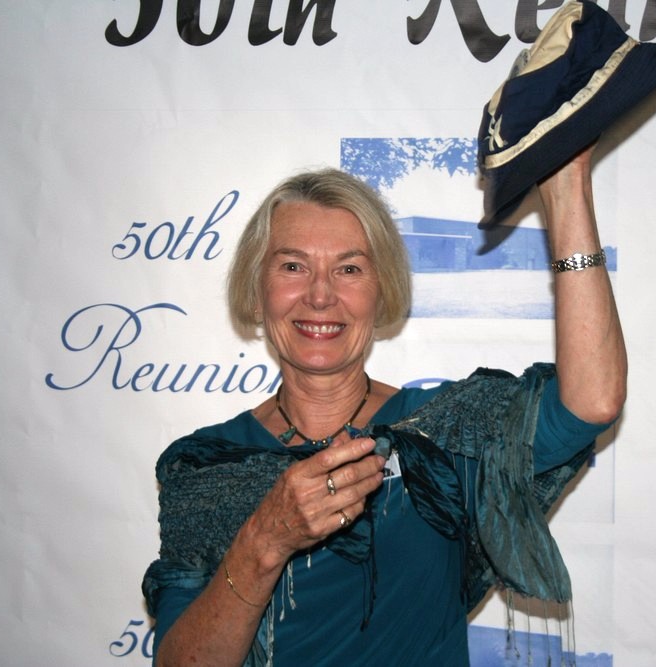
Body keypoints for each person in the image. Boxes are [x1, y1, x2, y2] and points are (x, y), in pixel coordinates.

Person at [141, 143, 627, 666]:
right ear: (257, 292)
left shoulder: (444, 435)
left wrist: (566, 185)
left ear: (381, 292)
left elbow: (593, 401)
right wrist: (265, 540)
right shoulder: (206, 467)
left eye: (349, 269)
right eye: (293, 266)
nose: (320, 296)